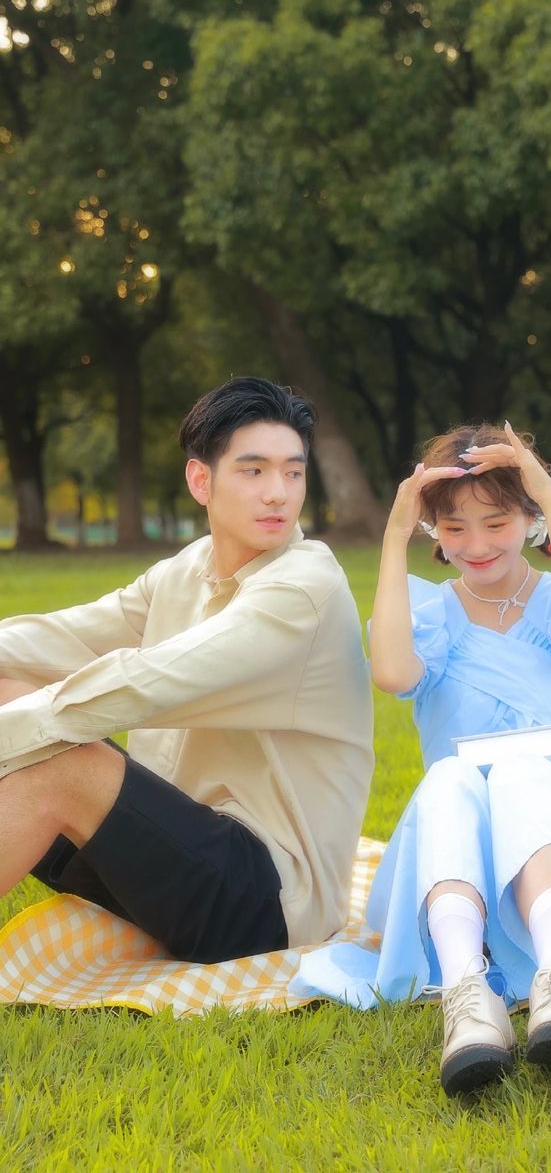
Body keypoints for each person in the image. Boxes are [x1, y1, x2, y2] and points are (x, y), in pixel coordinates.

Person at [294, 420, 551, 1098]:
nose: (477, 545)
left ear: (530, 517)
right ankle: (467, 993)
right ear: (433, 530)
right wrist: (394, 536)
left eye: (497, 522)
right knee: (453, 773)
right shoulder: (428, 615)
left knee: (520, 770)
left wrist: (550, 498)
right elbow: (394, 674)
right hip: (463, 865)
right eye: (453, 528)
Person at [0, 377, 373, 964]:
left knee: (58, 758)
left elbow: (147, 682)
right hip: (174, 863)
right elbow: (65, 638)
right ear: (202, 480)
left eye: (293, 472)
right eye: (253, 471)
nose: (278, 492)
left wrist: (16, 733)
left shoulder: (304, 590)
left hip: (266, 901)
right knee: (8, 691)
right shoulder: (188, 568)